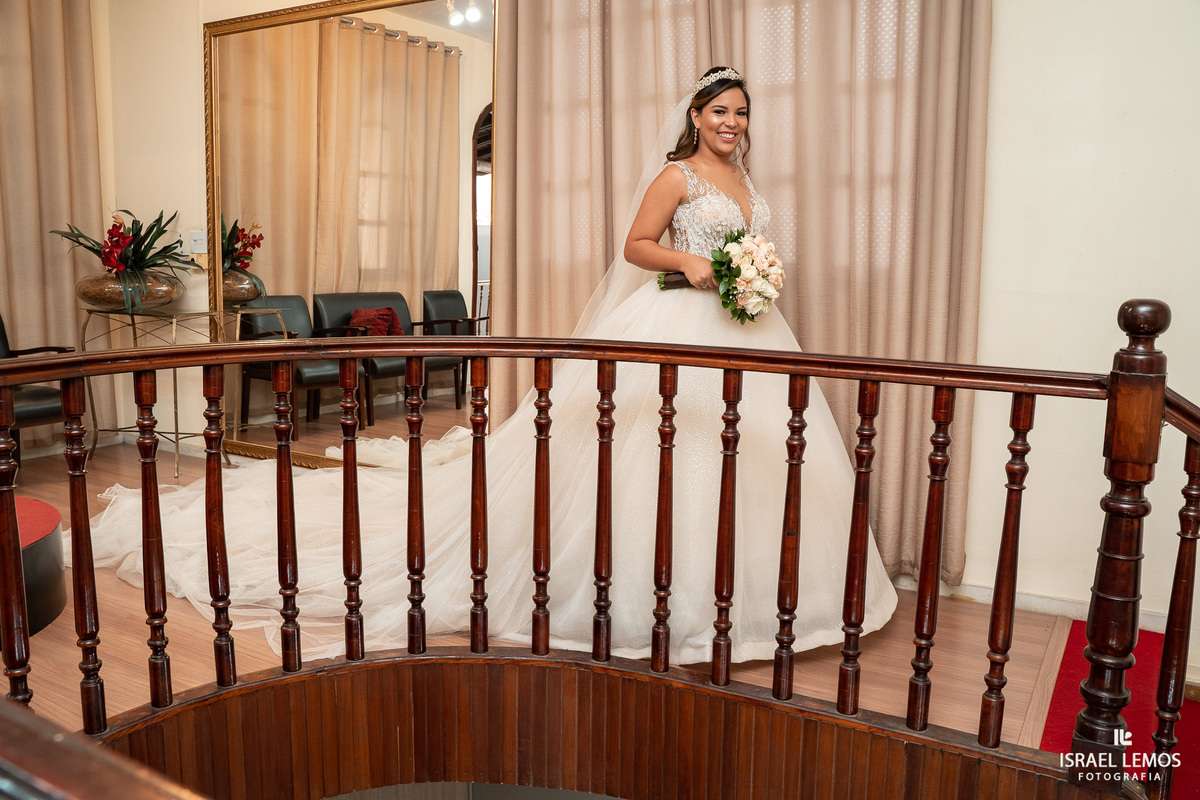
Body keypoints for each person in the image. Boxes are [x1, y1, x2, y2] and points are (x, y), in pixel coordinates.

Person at [84, 67, 897, 665]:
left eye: (742, 114)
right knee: (658, 459)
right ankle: (654, 602)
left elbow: (746, 245)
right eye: (722, 110)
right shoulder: (676, 175)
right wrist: (690, 267)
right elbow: (635, 247)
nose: (732, 122)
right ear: (696, 113)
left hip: (746, 330)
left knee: (751, 460)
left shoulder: (744, 177)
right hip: (678, 320)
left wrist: (753, 274)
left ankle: (757, 599)